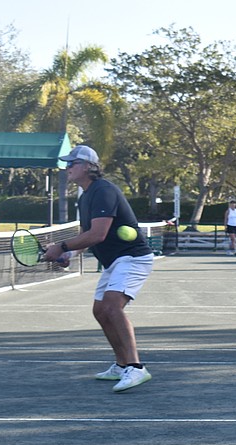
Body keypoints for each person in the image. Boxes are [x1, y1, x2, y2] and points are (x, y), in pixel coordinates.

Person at [42, 145, 154, 393]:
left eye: (72, 163)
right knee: (100, 311)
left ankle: (136, 367)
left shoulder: (104, 190)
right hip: (115, 261)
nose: (67, 168)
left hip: (132, 258)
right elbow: (86, 235)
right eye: (67, 164)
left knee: (113, 307)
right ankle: (121, 363)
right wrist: (69, 253)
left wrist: (60, 246)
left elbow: (98, 234)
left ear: (89, 167)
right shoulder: (85, 196)